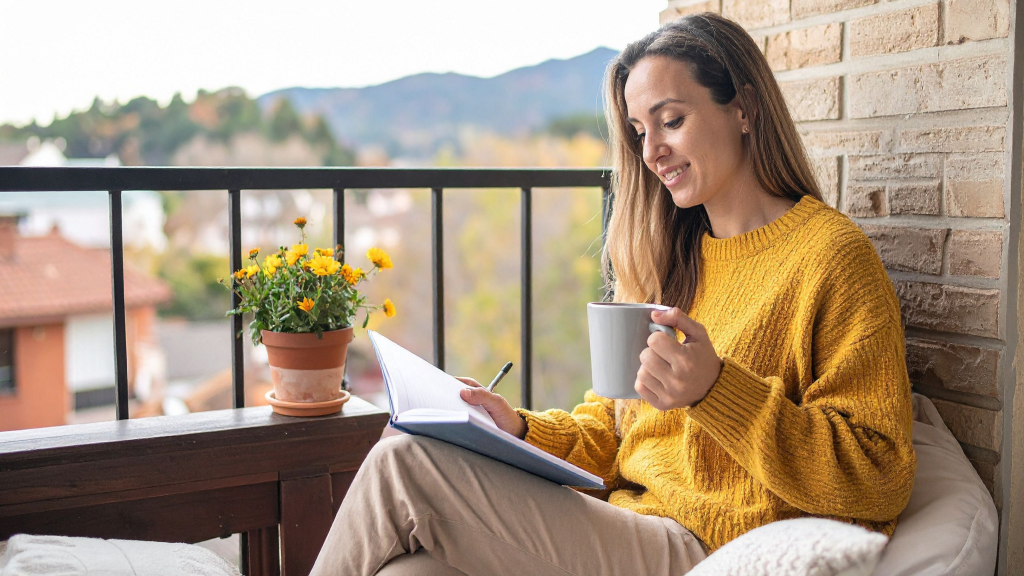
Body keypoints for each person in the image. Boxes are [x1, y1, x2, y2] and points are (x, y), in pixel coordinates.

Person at [311, 12, 916, 576]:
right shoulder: (674, 258)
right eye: (638, 130)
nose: (651, 152)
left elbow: (879, 474)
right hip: (626, 518)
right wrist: (517, 430)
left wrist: (717, 392)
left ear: (745, 109)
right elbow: (614, 427)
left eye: (671, 121)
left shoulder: (829, 257)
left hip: (702, 545)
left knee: (401, 467)